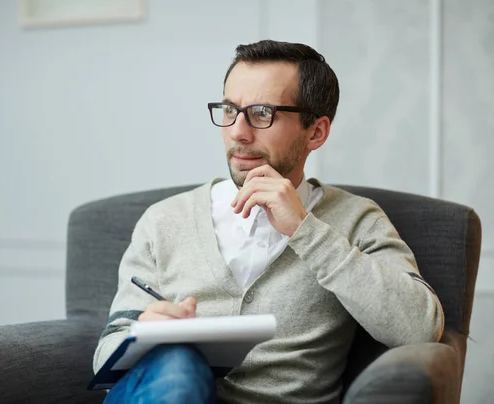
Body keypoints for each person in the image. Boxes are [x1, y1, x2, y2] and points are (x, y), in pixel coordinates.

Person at [93, 39, 444, 404]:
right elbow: (105, 355)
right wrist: (142, 336)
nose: (238, 132)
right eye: (229, 110)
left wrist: (305, 230)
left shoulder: (357, 220)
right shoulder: (165, 220)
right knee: (177, 361)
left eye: (262, 113)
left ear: (316, 132)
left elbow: (420, 328)